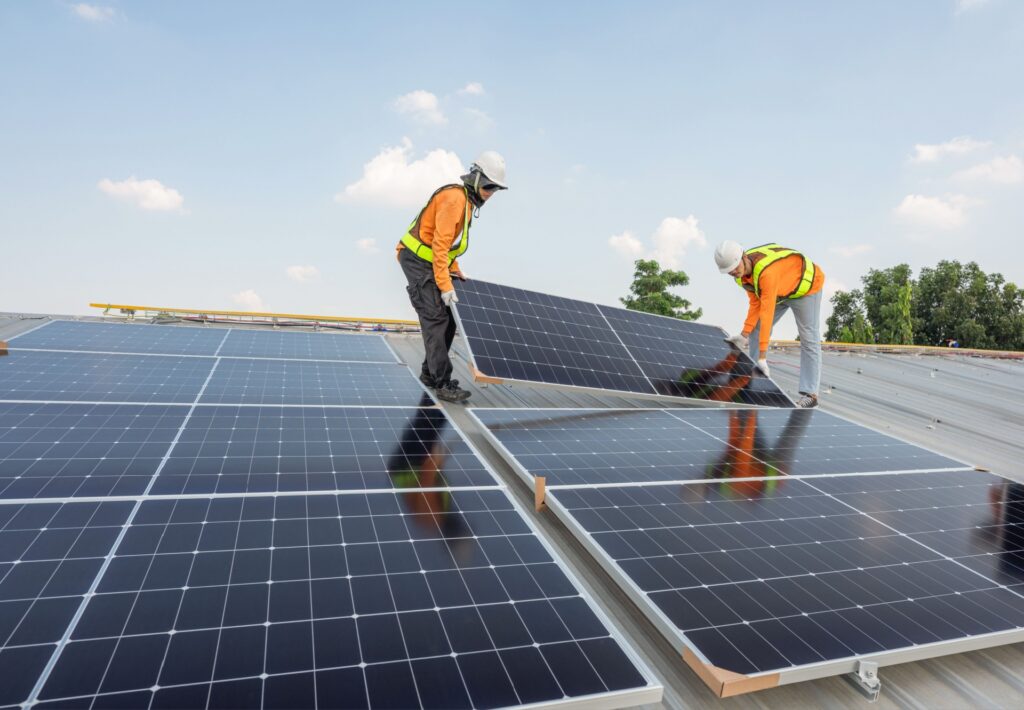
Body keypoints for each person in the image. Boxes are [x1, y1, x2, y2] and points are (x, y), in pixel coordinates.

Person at [396, 152, 508, 403]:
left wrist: (454, 267)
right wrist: (445, 285)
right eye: (488, 186)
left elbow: (448, 245)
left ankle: (430, 372)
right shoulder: (455, 200)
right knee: (435, 316)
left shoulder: (466, 203)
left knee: (450, 318)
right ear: (475, 178)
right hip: (416, 260)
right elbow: (439, 245)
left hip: (430, 260)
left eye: (495, 189)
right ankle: (442, 382)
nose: (490, 193)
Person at [714, 241, 825, 408]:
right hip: (780, 289)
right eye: (730, 272)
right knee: (756, 329)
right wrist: (744, 334)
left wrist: (763, 357)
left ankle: (811, 395)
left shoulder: (767, 273)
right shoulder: (741, 276)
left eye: (735, 268)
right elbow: (755, 304)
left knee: (809, 338)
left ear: (744, 257)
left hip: (805, 287)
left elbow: (766, 313)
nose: (734, 273)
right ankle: (753, 381)